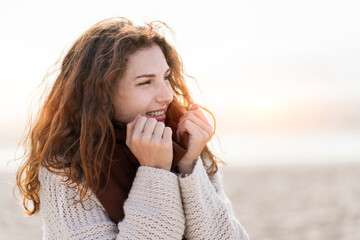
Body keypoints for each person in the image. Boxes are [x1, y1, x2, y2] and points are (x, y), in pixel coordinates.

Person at [15, 17, 249, 240]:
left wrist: (188, 165)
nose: (167, 96)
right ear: (101, 95)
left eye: (166, 77)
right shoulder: (65, 166)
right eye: (146, 82)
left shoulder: (181, 141)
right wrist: (156, 172)